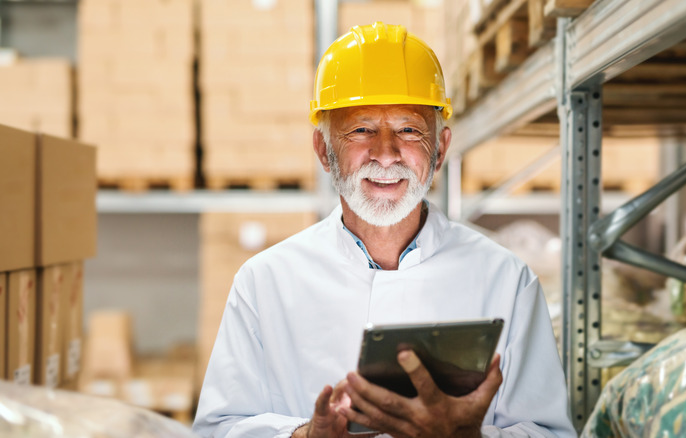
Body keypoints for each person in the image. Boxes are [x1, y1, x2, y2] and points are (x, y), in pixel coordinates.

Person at [193, 22, 576, 438]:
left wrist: (467, 437)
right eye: (361, 130)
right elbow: (218, 429)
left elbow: (550, 433)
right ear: (324, 150)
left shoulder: (506, 279)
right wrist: (303, 436)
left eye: (409, 130)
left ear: (441, 149)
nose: (386, 154)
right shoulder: (264, 283)